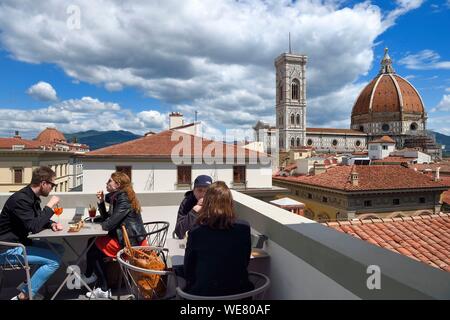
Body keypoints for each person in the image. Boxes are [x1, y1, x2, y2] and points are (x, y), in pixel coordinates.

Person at [0, 166, 63, 300]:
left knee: (59, 249)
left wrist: (51, 223)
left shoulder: (32, 197)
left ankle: (27, 286)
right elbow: (34, 226)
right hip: (7, 250)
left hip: (20, 243)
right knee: (54, 261)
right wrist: (50, 205)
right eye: (53, 184)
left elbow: (37, 218)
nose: (53, 188)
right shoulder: (21, 199)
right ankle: (23, 295)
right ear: (43, 183)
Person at [82, 171, 147, 299]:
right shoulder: (118, 196)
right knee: (92, 242)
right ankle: (92, 276)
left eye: (109, 181)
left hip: (132, 244)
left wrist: (102, 223)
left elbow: (108, 224)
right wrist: (101, 202)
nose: (107, 183)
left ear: (117, 184)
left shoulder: (123, 199)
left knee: (93, 249)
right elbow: (109, 218)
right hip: (128, 238)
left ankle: (101, 286)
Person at [183, 181, 254, 296]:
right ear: (230, 202)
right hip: (240, 295)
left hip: (205, 297)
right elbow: (245, 262)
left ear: (206, 203)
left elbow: (188, 271)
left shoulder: (196, 232)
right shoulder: (244, 228)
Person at [174, 175, 212, 239]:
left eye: (207, 191)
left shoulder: (216, 202)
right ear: (194, 191)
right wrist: (194, 212)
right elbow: (179, 232)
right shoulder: (187, 202)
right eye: (199, 190)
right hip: (193, 241)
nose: (203, 194)